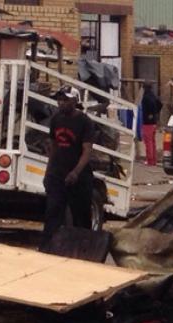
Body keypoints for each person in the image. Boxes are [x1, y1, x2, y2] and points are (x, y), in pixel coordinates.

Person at [44, 87, 97, 240]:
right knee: (53, 212)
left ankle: (83, 247)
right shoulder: (56, 119)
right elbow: (53, 146)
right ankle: (48, 246)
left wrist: (75, 172)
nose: (61, 103)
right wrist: (49, 172)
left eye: (65, 100)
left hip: (79, 177)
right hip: (58, 174)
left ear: (74, 101)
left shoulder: (85, 122)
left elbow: (87, 150)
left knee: (81, 217)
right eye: (59, 99)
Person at [140, 83, 162, 167]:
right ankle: (154, 161)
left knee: (148, 142)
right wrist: (155, 113)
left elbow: (146, 108)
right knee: (153, 142)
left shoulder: (145, 98)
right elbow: (160, 104)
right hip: (153, 122)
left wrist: (150, 114)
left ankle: (150, 160)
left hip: (147, 123)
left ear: (144, 88)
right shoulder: (153, 96)